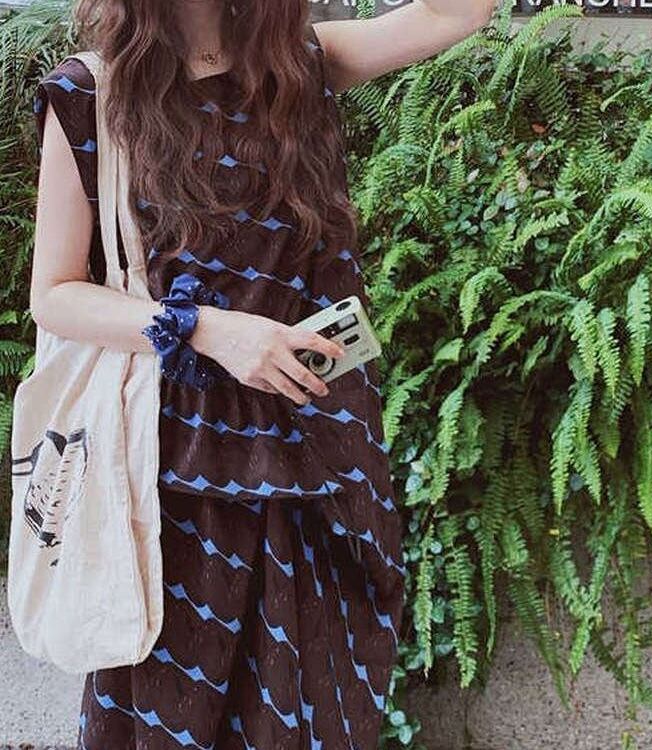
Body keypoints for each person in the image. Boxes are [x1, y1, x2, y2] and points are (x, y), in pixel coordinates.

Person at [30, 0, 495, 746]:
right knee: (176, 718)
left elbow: (460, 12)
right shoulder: (93, 92)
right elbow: (53, 294)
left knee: (313, 709)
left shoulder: (302, 63)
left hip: (317, 450)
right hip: (177, 472)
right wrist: (207, 329)